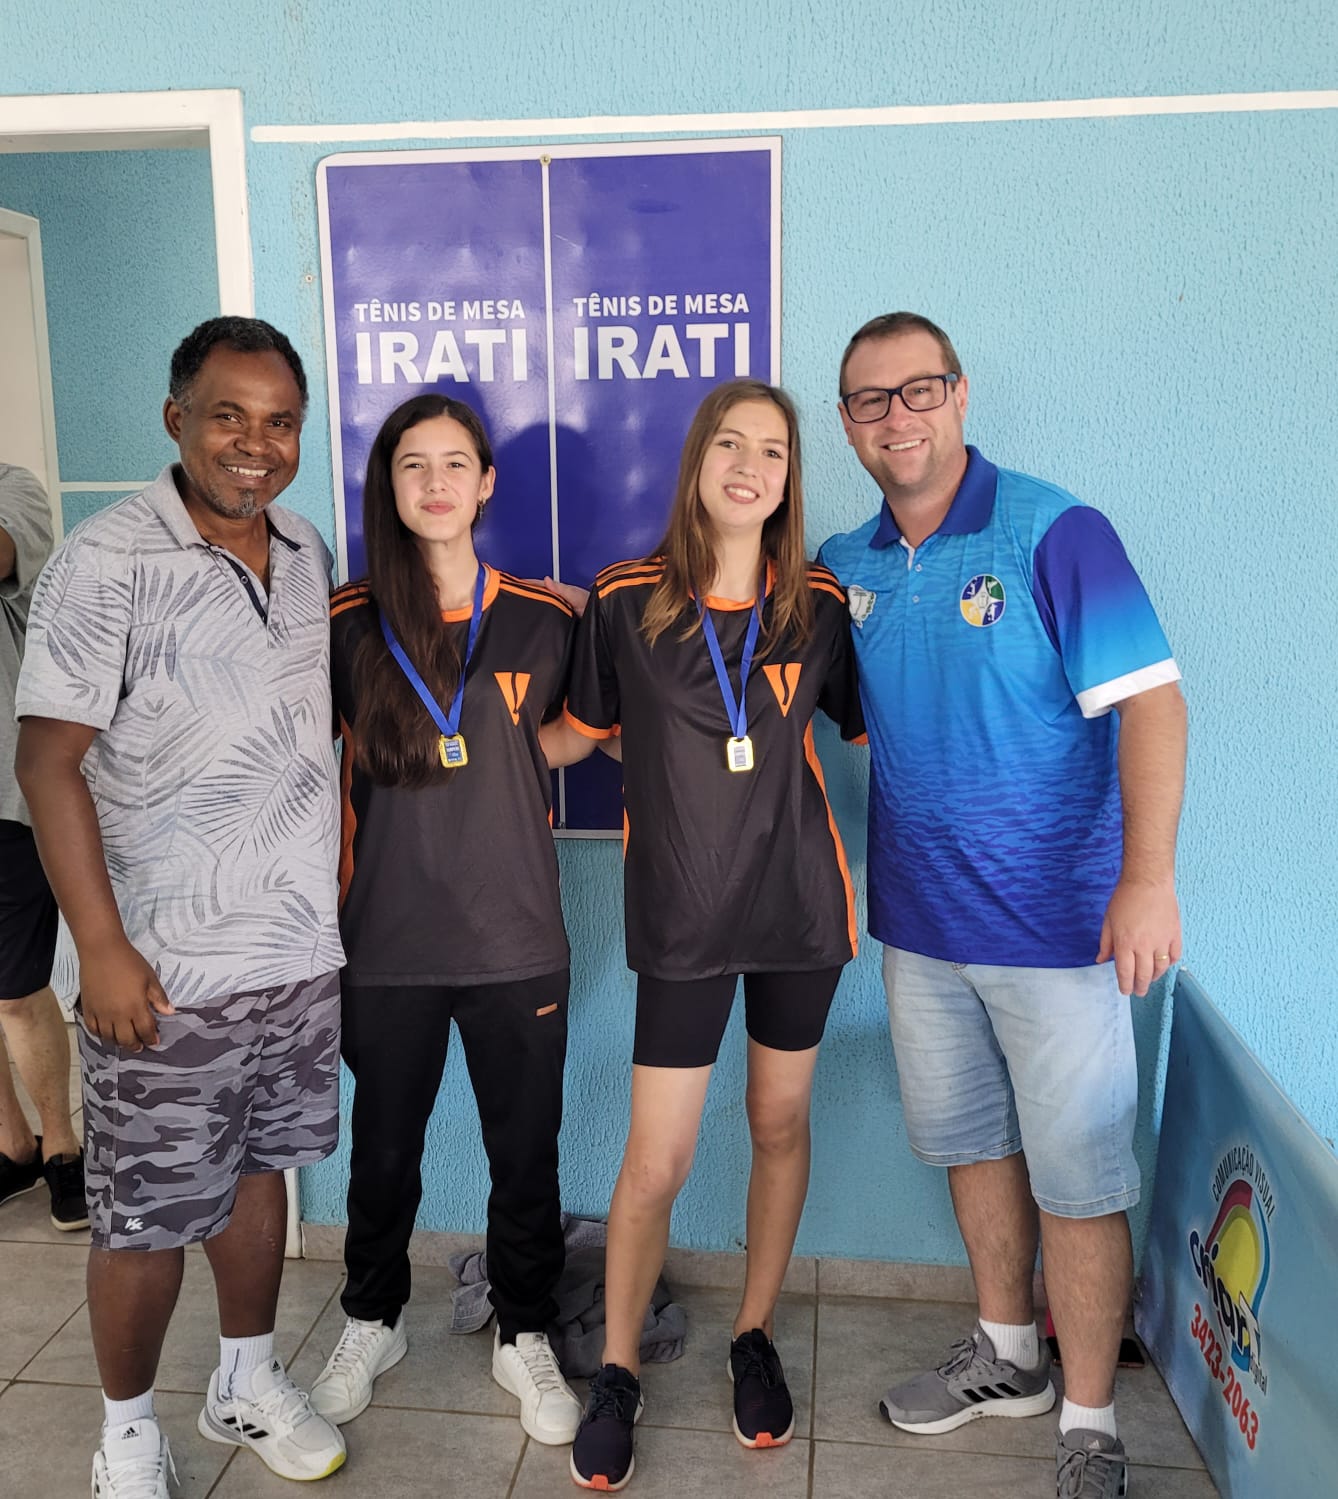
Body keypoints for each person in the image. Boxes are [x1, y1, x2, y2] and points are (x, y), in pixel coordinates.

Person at [818, 312, 1187, 1499]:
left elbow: (1153, 702)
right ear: (847, 423)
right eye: (871, 399)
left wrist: (1147, 878)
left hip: (1060, 935)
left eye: (918, 389)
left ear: (960, 394)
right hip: (920, 930)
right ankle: (1009, 1354)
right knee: (973, 1148)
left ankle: (1090, 1420)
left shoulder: (1055, 530)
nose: (898, 417)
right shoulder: (846, 561)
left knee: (1080, 1182)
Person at [15, 318, 347, 1497]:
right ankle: (125, 1432)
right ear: (177, 419)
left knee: (261, 1175)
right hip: (160, 969)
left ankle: (244, 1378)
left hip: (294, 954)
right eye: (228, 415)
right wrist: (100, 946)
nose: (256, 444)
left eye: (280, 421)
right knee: (145, 1217)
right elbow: (47, 760)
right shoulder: (104, 562)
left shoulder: (304, 549)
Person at [542, 378, 864, 1491]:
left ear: (789, 478)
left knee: (778, 1121)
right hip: (682, 913)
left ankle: (754, 1332)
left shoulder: (819, 604)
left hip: (800, 910)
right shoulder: (625, 599)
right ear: (697, 460)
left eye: (772, 450)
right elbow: (575, 734)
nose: (750, 466)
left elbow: (877, 725)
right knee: (658, 1157)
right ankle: (618, 1369)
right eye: (731, 443)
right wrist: (462, 744)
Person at [307, 393, 584, 1446]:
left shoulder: (546, 616)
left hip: (515, 938)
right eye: (412, 464)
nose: (435, 482)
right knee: (382, 1152)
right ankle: (372, 1319)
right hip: (386, 940)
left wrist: (514, 752)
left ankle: (526, 1327)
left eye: (455, 462)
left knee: (526, 1152)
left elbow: (577, 731)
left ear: (486, 482)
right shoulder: (344, 620)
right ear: (389, 485)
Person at [0, 461, 88, 1231]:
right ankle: (13, 1146)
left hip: (6, 801)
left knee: (16, 991)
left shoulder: (13, 490)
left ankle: (63, 1146)